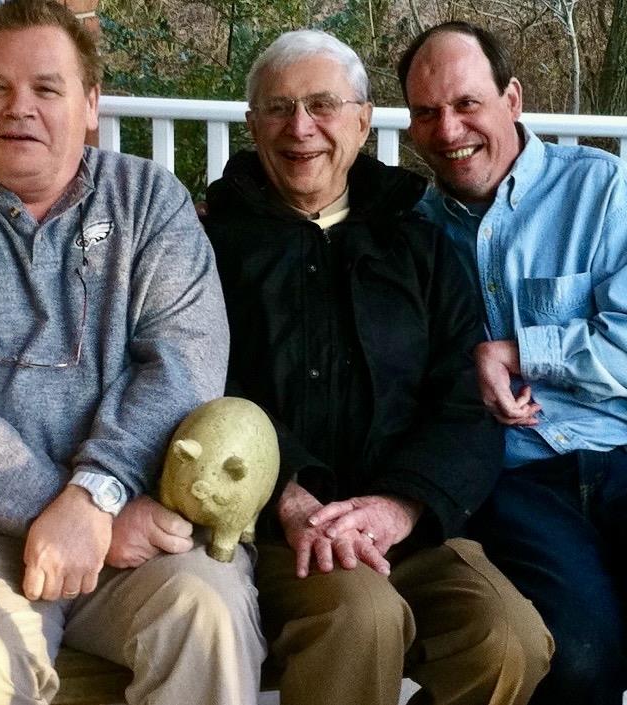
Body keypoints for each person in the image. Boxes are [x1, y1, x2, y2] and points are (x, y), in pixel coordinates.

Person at [0, 2, 264, 704]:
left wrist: (98, 494)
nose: (20, 108)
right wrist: (73, 512)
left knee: (209, 615)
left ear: (91, 104)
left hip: (131, 517)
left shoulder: (149, 204)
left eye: (46, 87)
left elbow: (185, 365)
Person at [202, 29, 553, 705]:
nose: (300, 127)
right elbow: (204, 383)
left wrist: (400, 506)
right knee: (361, 616)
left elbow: (464, 398)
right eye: (277, 108)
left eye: (322, 105)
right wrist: (288, 493)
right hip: (274, 526)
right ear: (252, 124)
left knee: (509, 638)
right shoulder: (212, 245)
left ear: (363, 121)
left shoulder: (417, 242)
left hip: (407, 524)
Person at [399, 21, 627, 705]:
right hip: (517, 482)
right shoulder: (413, 234)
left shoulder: (603, 191)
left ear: (512, 99)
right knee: (576, 652)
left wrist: (518, 350)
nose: (449, 129)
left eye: (467, 103)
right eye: (427, 112)